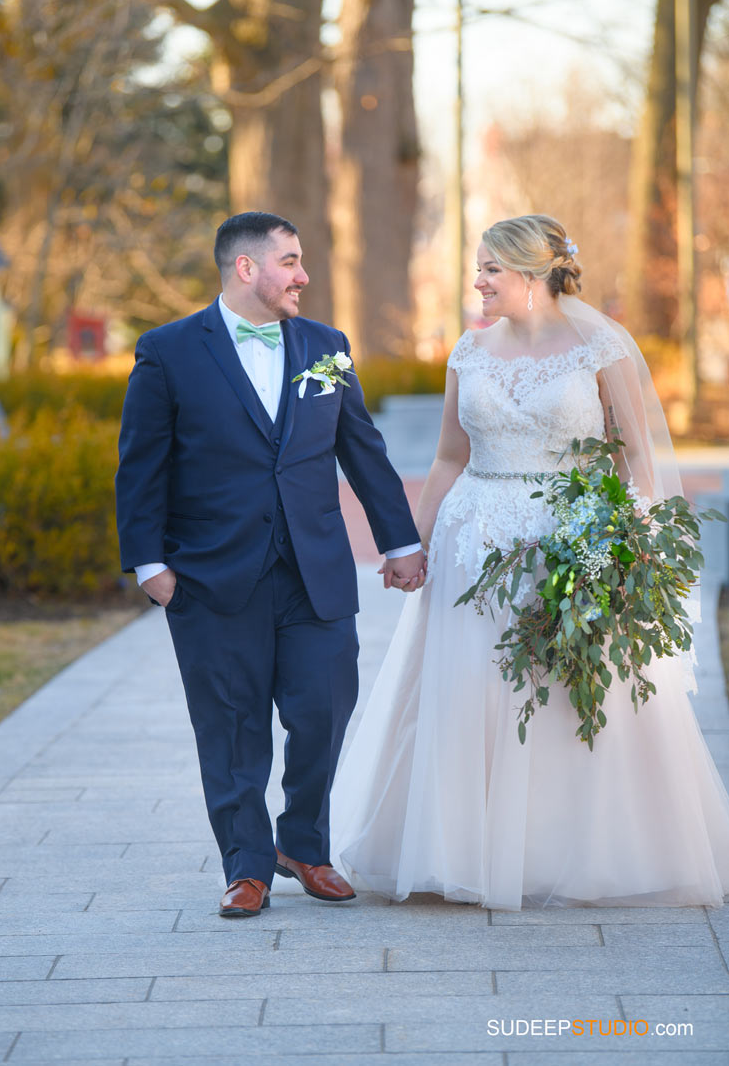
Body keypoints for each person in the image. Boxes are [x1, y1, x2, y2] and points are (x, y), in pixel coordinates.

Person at [331, 213, 729, 910]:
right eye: (477, 268)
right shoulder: (470, 349)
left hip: (572, 541)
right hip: (471, 546)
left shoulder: (598, 346)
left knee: (569, 693)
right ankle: (463, 851)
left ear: (532, 273)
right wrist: (412, 544)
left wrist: (625, 545)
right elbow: (450, 455)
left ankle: (572, 851)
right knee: (471, 693)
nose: (478, 281)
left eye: (490, 269)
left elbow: (639, 456)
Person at [116, 211, 425, 918]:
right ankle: (246, 865)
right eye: (290, 260)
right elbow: (140, 466)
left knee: (323, 708)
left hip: (315, 568)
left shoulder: (326, 346)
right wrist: (147, 562)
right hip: (211, 575)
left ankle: (304, 843)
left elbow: (363, 451)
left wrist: (399, 542)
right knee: (230, 725)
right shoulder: (167, 352)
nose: (303, 275)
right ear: (247, 268)